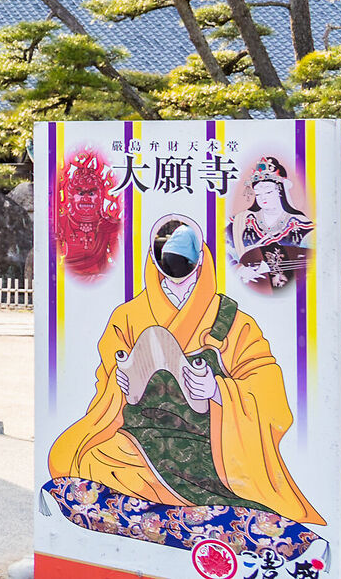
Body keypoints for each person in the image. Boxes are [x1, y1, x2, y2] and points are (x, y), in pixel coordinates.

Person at [48, 214, 321, 527]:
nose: (176, 267)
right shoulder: (128, 316)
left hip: (209, 445)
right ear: (153, 258)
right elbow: (106, 381)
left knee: (232, 480)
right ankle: (185, 512)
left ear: (201, 257)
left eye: (184, 258)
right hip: (139, 439)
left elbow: (266, 382)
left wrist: (218, 390)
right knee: (89, 458)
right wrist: (119, 383)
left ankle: (187, 508)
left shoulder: (230, 319)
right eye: (168, 257)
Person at [230, 155, 313, 291]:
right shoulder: (241, 222)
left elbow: (314, 260)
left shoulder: (301, 225)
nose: (263, 197)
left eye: (268, 191)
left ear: (280, 191)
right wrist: (239, 269)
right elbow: (223, 250)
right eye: (258, 194)